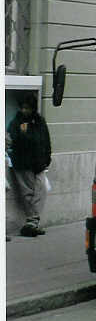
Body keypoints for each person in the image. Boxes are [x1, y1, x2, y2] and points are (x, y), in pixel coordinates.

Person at [6, 95, 52, 237]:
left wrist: (47, 157)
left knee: (41, 189)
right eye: (23, 108)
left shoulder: (39, 121)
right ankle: (32, 222)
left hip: (38, 163)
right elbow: (12, 141)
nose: (25, 110)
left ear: (33, 108)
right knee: (28, 193)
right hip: (23, 163)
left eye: (28, 108)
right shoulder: (16, 122)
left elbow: (45, 140)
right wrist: (23, 134)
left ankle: (32, 222)